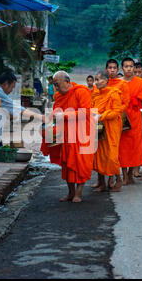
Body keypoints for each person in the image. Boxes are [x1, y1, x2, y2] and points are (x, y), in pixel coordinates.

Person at [0, 71, 45, 184]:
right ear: (6, 83)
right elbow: (17, 109)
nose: (11, 91)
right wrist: (41, 117)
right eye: (12, 87)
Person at [41, 71, 94, 203]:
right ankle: (70, 193)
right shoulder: (59, 96)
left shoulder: (81, 92)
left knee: (81, 164)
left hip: (82, 133)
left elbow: (86, 112)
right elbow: (56, 112)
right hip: (66, 134)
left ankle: (78, 193)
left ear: (67, 81)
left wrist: (64, 115)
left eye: (57, 85)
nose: (56, 88)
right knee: (67, 164)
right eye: (55, 86)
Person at [119, 57, 142, 185]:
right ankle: (125, 175)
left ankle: (131, 173)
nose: (129, 69)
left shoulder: (140, 83)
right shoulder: (118, 83)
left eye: (131, 66)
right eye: (126, 66)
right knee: (122, 148)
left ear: (134, 68)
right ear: (122, 68)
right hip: (122, 118)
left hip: (136, 118)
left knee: (134, 147)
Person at [91, 71, 125, 192]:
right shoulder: (97, 95)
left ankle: (118, 180)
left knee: (111, 156)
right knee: (99, 155)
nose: (96, 82)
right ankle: (102, 183)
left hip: (111, 127)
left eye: (98, 79)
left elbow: (116, 111)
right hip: (99, 128)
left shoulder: (113, 93)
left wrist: (102, 116)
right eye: (95, 80)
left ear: (105, 81)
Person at [99, 58, 129, 190]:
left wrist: (109, 113)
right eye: (109, 68)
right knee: (101, 153)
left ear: (118, 70)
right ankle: (103, 182)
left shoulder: (122, 85)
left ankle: (117, 179)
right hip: (100, 123)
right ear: (106, 69)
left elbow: (125, 104)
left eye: (114, 68)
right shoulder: (101, 84)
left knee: (112, 153)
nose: (112, 70)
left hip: (113, 122)